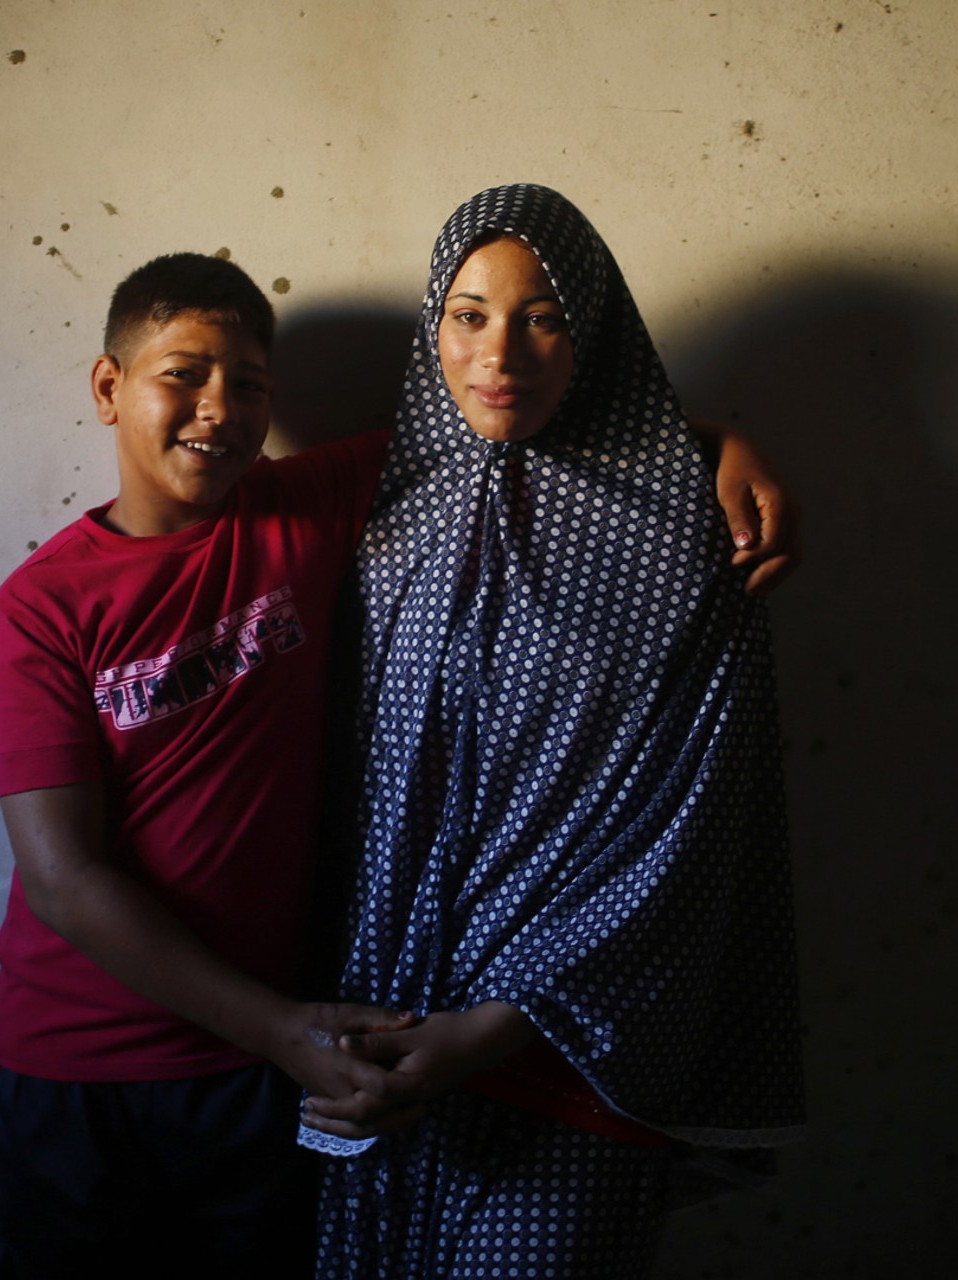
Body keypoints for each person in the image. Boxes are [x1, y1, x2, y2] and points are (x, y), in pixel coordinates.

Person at [0, 248, 794, 1278]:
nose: (217, 408)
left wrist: (718, 441)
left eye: (249, 385)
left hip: (267, 1063)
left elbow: (520, 419)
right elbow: (62, 877)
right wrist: (279, 1028)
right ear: (109, 386)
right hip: (82, 1061)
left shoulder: (307, 505)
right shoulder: (45, 606)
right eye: (183, 372)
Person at [302, 184, 806, 1279]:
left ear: (598, 330)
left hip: (574, 1048)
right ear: (432, 324)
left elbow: (699, 824)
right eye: (470, 312)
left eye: (546, 317)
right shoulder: (392, 518)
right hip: (387, 1039)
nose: (503, 352)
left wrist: (500, 1022)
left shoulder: (692, 540)